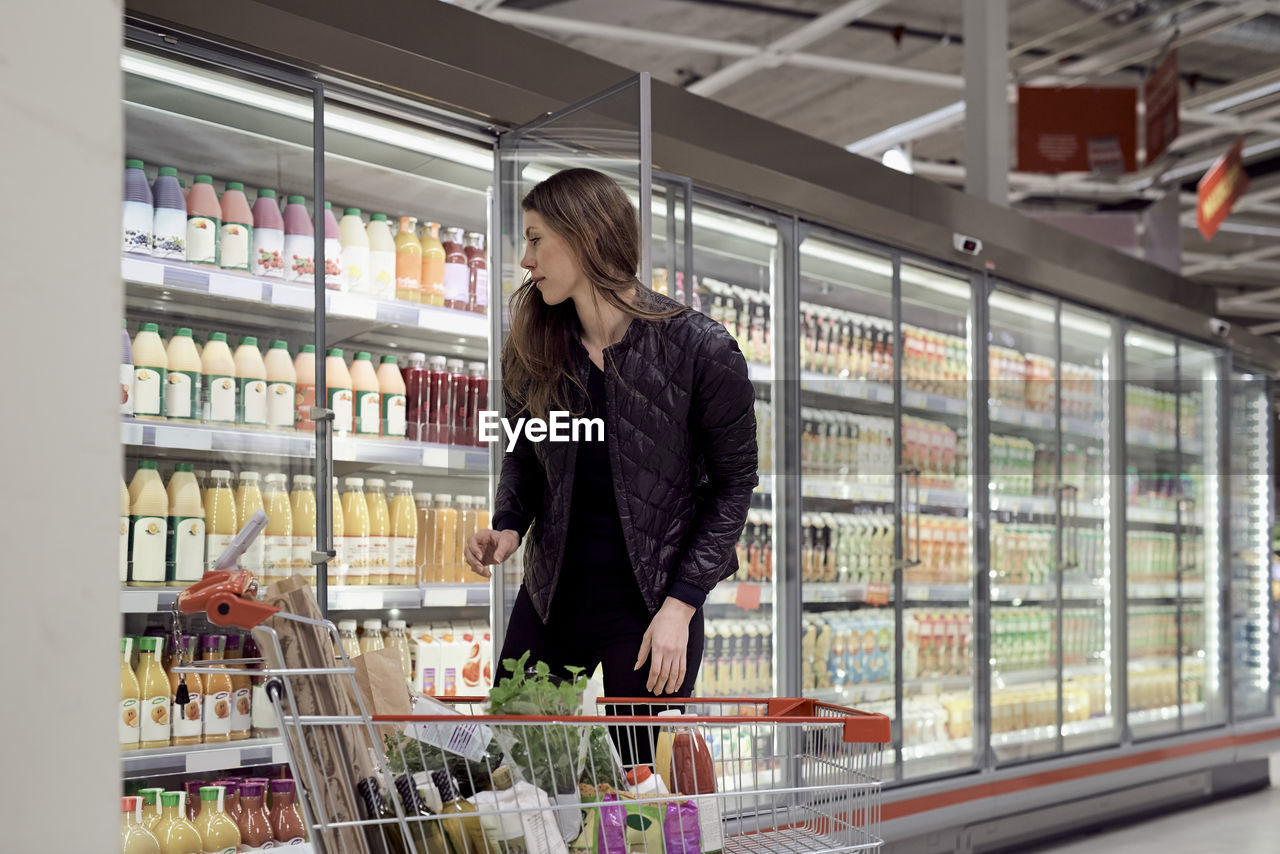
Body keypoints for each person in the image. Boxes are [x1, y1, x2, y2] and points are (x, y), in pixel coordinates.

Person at [464, 167, 757, 706]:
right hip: (553, 597)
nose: (525, 260)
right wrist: (508, 527)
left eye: (534, 240)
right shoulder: (534, 346)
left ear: (586, 236)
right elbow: (524, 453)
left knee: (642, 778)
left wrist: (682, 605)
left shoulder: (700, 349)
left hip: (651, 607)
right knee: (518, 765)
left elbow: (734, 484)